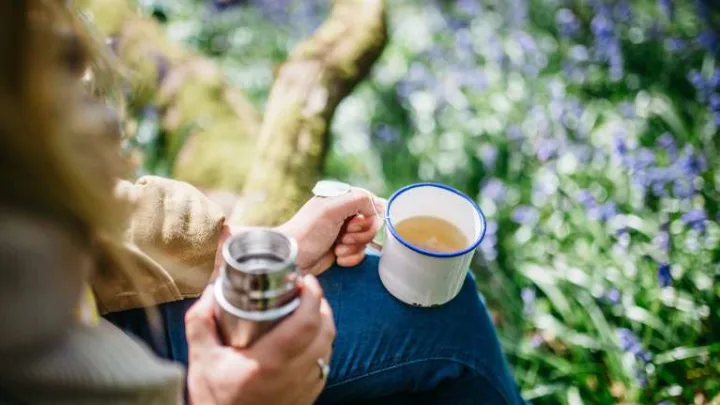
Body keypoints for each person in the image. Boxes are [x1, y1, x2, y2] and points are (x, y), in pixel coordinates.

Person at [0, 2, 526, 404]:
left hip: (99, 311)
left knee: (441, 311)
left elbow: (89, 211)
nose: (110, 129)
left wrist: (254, 248)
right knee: (445, 328)